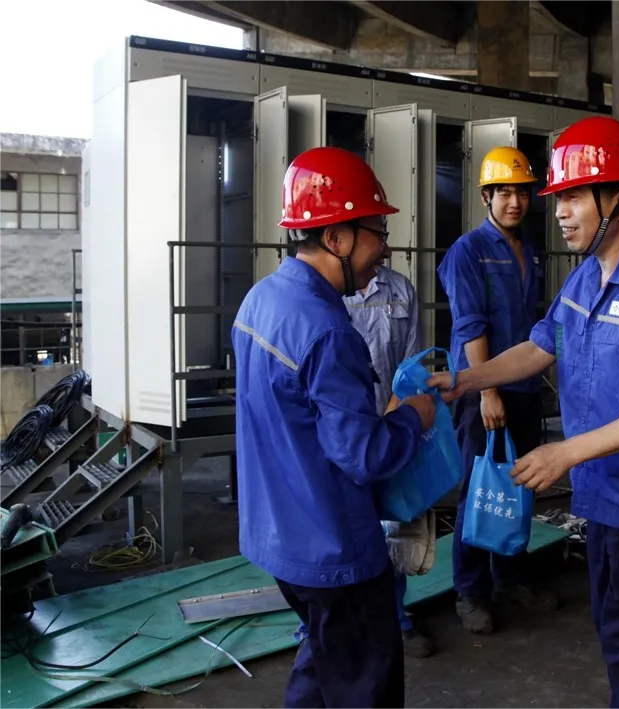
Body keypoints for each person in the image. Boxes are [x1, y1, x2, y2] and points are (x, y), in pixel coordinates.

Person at [429, 116, 619, 708]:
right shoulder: (586, 278)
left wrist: (565, 452)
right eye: (558, 198)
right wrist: (465, 380)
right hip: (603, 499)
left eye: (575, 197)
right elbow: (540, 347)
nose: (559, 212)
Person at [232, 146, 436, 709]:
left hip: (279, 536)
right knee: (364, 682)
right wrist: (414, 416)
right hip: (334, 548)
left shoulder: (259, 301)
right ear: (337, 237)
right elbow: (365, 456)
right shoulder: (329, 331)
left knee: (325, 660)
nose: (385, 248)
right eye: (377, 233)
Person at [436, 145, 557, 635]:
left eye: (522, 193)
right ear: (486, 196)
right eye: (504, 192)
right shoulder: (468, 251)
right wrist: (487, 392)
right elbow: (471, 325)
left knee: (519, 485)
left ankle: (510, 578)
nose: (515, 202)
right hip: (482, 391)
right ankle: (470, 591)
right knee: (479, 486)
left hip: (523, 385)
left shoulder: (529, 250)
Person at [292, 262, 434, 659]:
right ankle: (313, 628)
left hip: (390, 429)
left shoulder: (400, 290)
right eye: (377, 235)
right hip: (335, 438)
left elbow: (410, 363)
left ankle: (394, 618)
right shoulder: (320, 296)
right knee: (331, 534)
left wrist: (394, 417)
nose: (384, 246)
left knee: (392, 529)